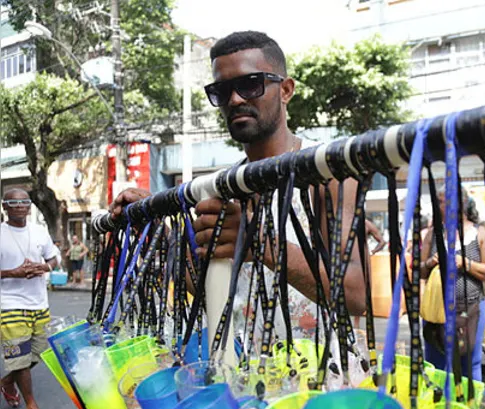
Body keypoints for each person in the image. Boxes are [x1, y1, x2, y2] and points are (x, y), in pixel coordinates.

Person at [109, 31, 366, 346]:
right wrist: (159, 229)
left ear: (286, 90)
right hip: (239, 382)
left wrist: (261, 244)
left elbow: (357, 294)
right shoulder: (220, 187)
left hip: (319, 386)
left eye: (250, 84)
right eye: (222, 90)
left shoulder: (327, 172)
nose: (235, 100)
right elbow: (206, 287)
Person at [0, 189, 59, 409]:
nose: (20, 206)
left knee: (40, 352)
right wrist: (13, 273)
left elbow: (54, 258)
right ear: (5, 207)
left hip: (39, 304)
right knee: (20, 359)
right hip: (9, 305)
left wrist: (44, 267)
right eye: (14, 202)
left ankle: (7, 380)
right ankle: (31, 405)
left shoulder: (39, 231)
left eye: (24, 201)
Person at [420, 187, 485, 381]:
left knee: (470, 362)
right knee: (436, 363)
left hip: (470, 307)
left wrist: (465, 263)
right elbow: (419, 270)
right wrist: (432, 261)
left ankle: (469, 407)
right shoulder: (432, 234)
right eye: (441, 202)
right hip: (436, 309)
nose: (445, 206)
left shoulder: (479, 233)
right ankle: (438, 405)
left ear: (464, 203)